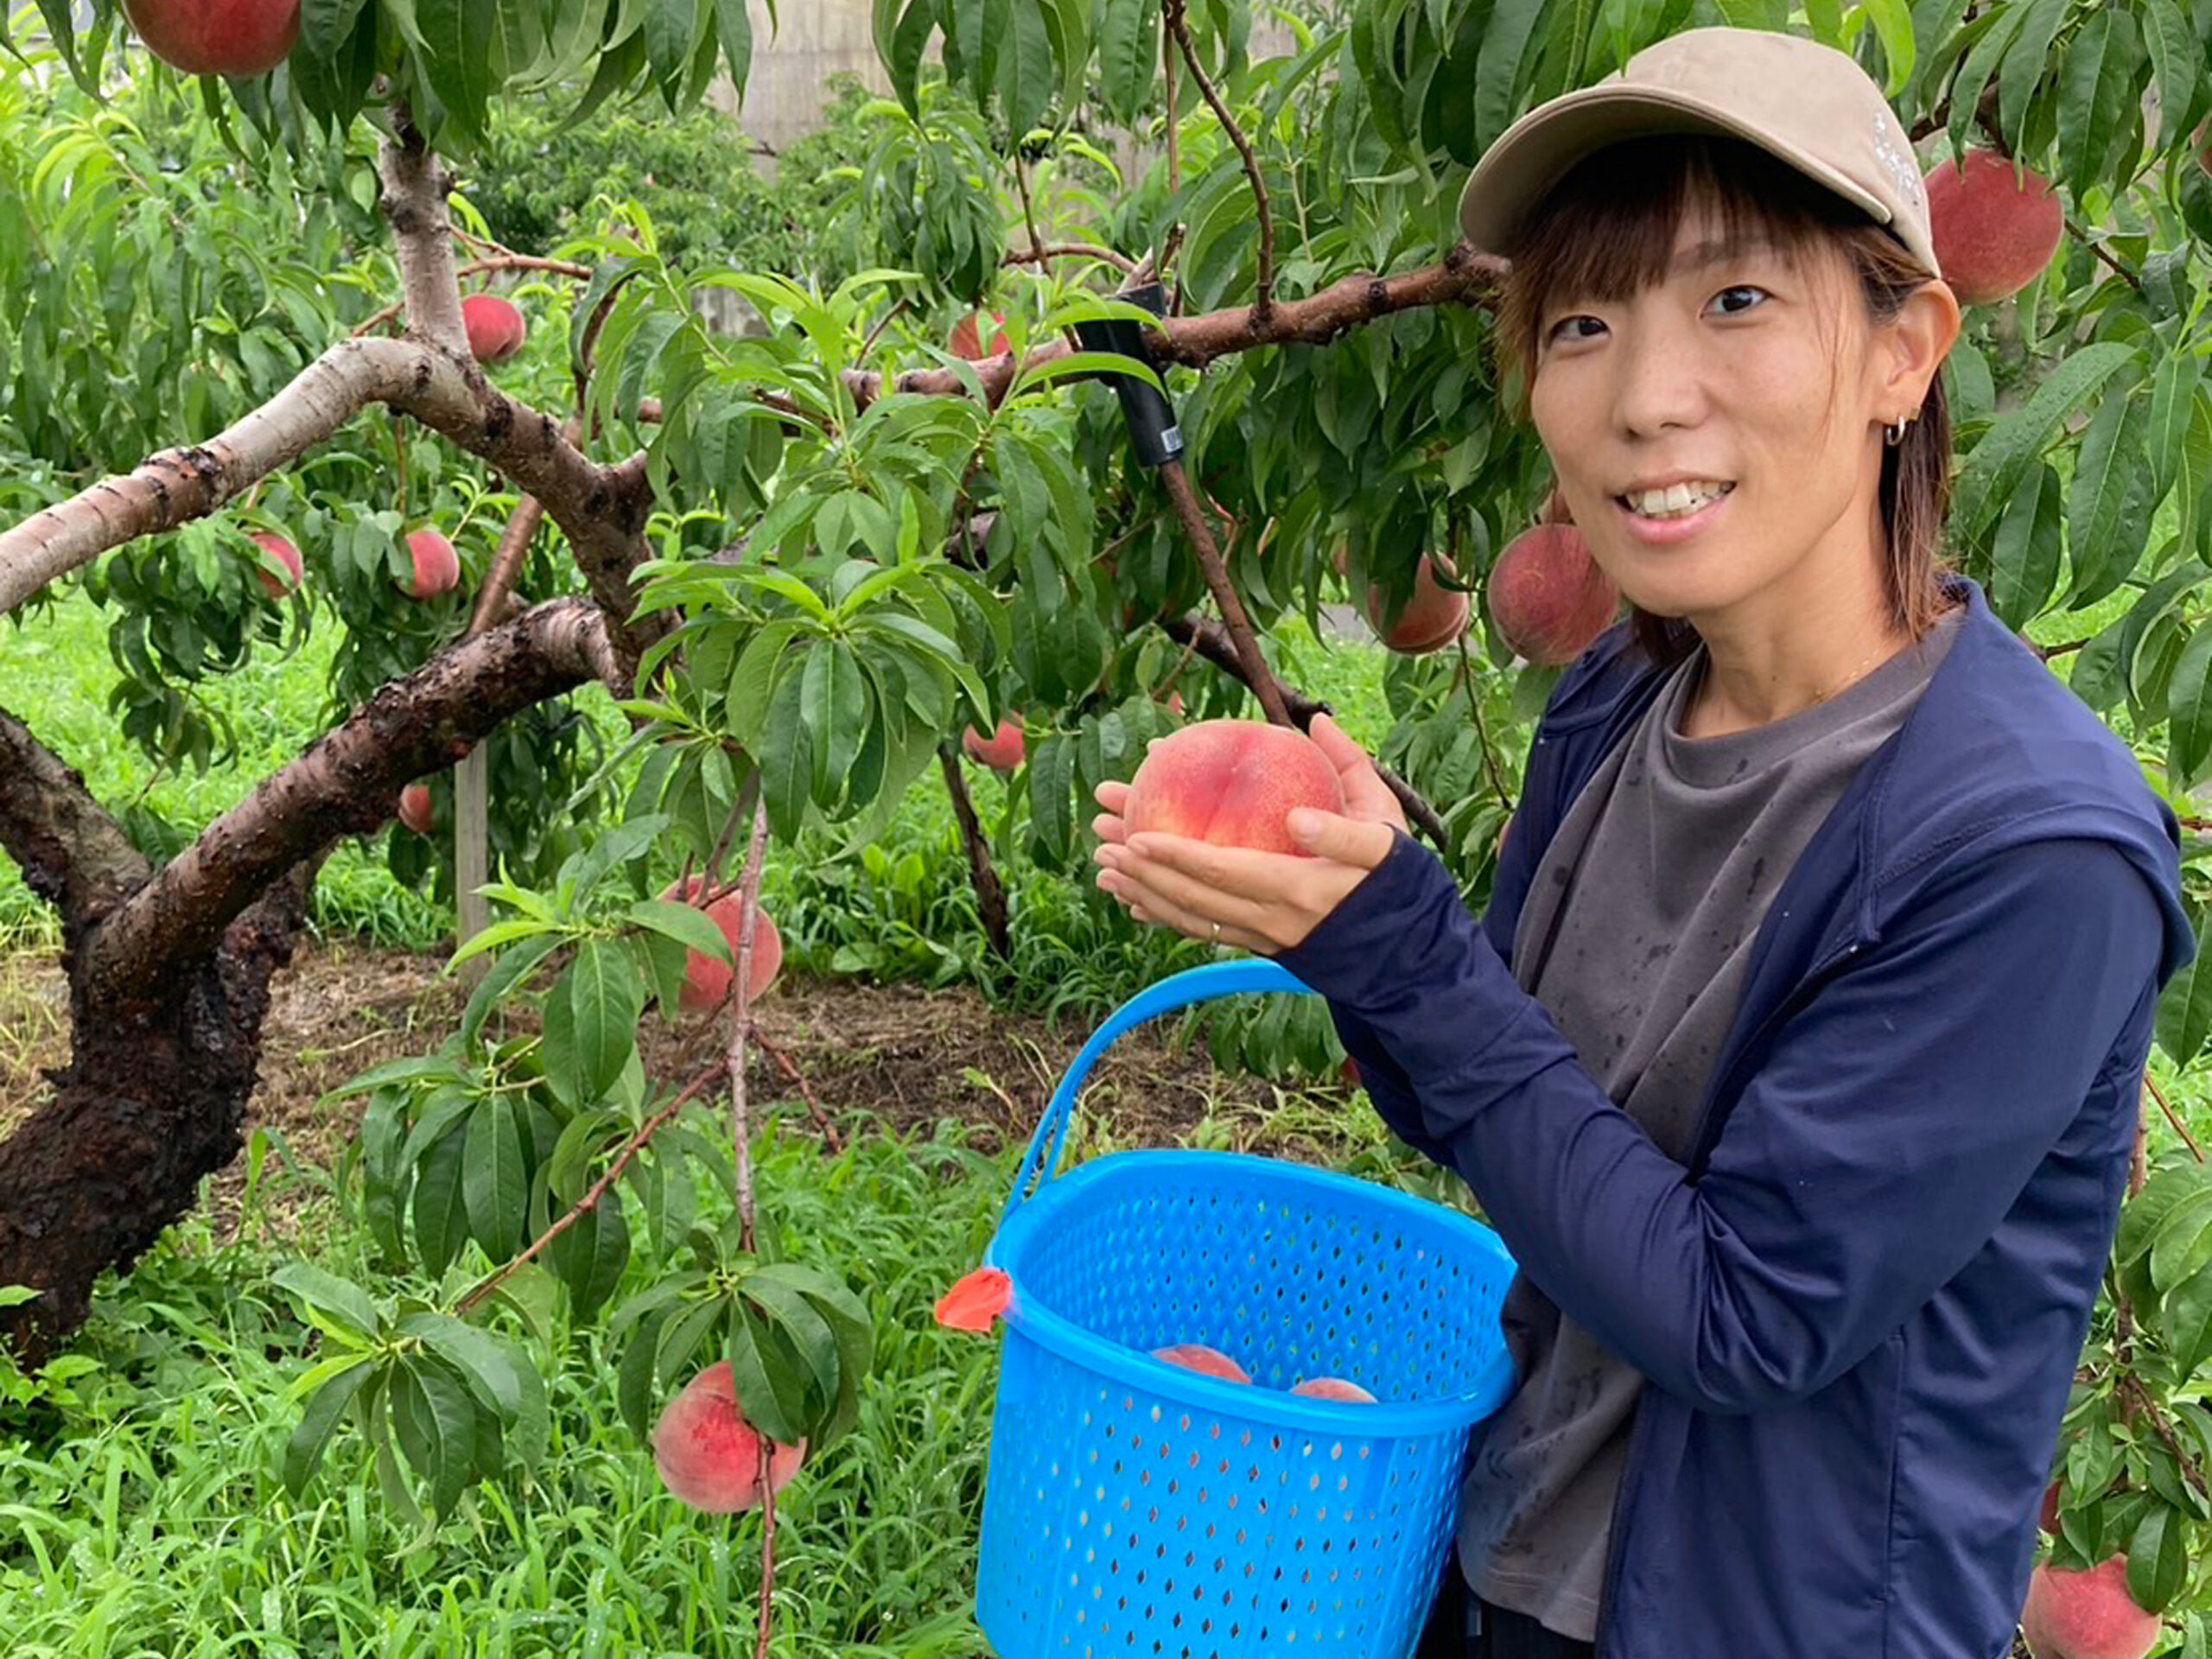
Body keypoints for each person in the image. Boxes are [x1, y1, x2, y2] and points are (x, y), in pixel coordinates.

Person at [1089, 26, 2193, 1659]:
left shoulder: (2034, 852)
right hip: (1501, 1569)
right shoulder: (1623, 697)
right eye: (1583, 325)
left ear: (1909, 351)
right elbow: (1499, 1117)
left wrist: (1404, 947)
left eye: (1736, 302)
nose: (1643, 398)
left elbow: (1741, 1318)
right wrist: (1350, 932)